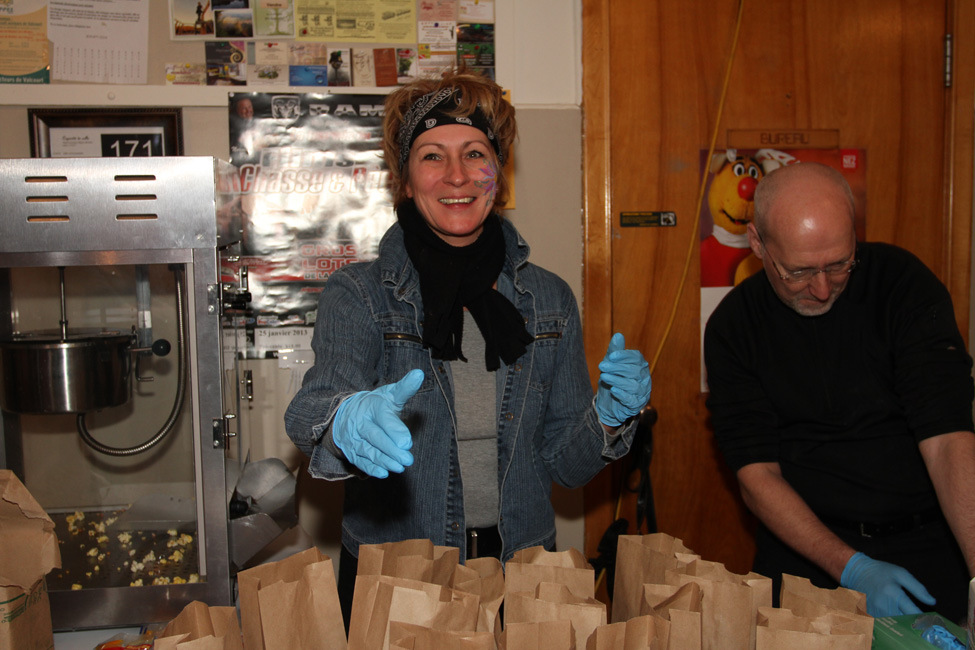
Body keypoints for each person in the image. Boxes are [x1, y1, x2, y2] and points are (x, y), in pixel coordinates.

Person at [284, 69, 652, 623]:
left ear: (497, 175)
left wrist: (609, 418)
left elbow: (567, 466)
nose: (456, 175)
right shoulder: (359, 293)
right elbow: (313, 406)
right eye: (432, 155)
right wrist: (342, 420)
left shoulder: (547, 298)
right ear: (404, 179)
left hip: (523, 577)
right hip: (399, 578)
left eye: (475, 153)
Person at [703, 162, 975, 622]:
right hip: (806, 557)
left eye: (839, 264)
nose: (823, 288)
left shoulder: (903, 285)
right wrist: (853, 568)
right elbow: (757, 477)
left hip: (930, 549)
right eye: (800, 271)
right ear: (757, 244)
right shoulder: (734, 327)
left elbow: (948, 439)